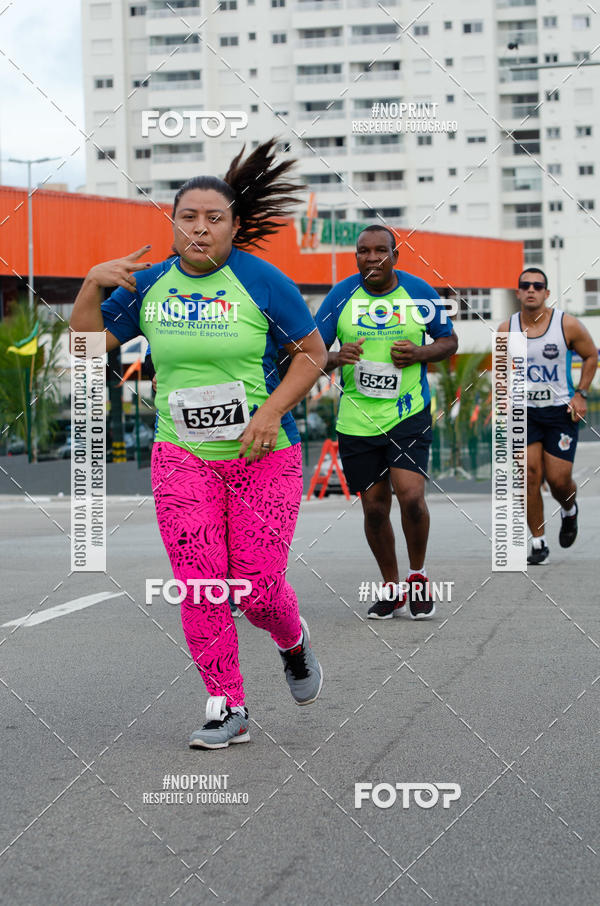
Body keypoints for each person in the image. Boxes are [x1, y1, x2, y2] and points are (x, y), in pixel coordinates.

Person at [70, 139, 326, 748]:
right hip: (181, 457)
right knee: (202, 583)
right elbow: (84, 351)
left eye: (215, 218)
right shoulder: (150, 284)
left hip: (264, 456)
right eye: (189, 217)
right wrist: (89, 286)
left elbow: (312, 355)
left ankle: (293, 641)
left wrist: (269, 412)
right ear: (174, 223)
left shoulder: (266, 282)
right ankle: (226, 707)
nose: (201, 228)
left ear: (235, 226)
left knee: (259, 588)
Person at [315, 226, 458, 619]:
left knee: (411, 498)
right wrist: (335, 358)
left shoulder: (419, 293)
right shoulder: (340, 296)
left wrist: (420, 352)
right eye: (364, 251)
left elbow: (449, 341)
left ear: (395, 256)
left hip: (407, 413)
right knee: (375, 510)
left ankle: (418, 576)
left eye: (381, 250)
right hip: (356, 421)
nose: (372, 257)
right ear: (356, 256)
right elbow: (308, 352)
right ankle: (392, 587)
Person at [500, 268, 597, 565]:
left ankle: (569, 511)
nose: (531, 290)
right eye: (525, 286)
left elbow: (591, 355)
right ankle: (538, 542)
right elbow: (503, 370)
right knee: (528, 474)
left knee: (558, 480)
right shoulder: (507, 328)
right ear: (518, 293)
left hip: (559, 411)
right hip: (525, 412)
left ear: (546, 293)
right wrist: (504, 397)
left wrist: (580, 393)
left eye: (537, 286)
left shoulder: (566, 324)